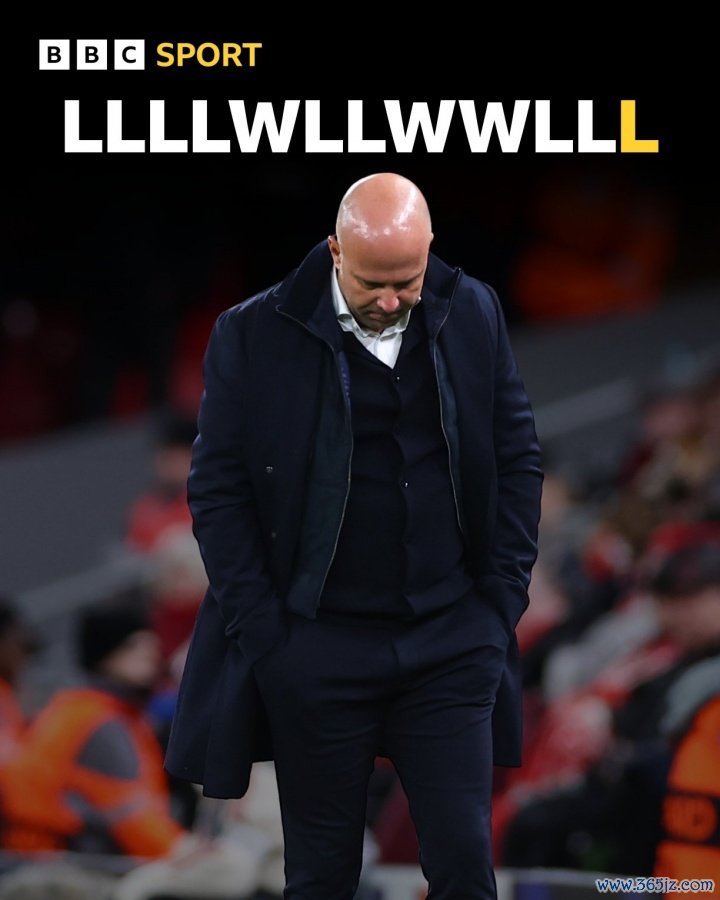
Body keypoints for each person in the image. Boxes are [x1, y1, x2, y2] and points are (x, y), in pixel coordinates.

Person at [165, 172, 543, 899]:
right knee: (320, 877)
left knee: (466, 868)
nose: (392, 299)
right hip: (315, 647)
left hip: (451, 640)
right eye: (373, 283)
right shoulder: (253, 331)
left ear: (429, 251)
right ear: (335, 252)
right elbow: (217, 492)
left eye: (408, 280)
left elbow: (518, 456)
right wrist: (269, 639)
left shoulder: (473, 308)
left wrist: (498, 606)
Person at [0, 601, 186, 858]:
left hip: (48, 853)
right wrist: (184, 852)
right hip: (56, 859)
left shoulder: (102, 710)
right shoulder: (99, 721)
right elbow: (130, 814)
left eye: (152, 646)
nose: (152, 657)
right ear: (106, 656)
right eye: (135, 647)